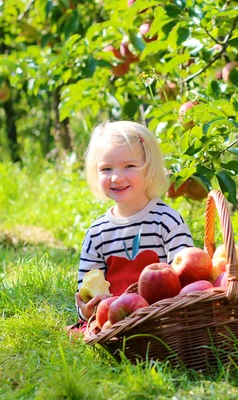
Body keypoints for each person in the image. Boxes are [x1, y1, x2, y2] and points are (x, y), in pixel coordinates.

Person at [75, 120, 194, 323]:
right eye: (106, 169)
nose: (117, 178)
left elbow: (188, 279)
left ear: (148, 168)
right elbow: (83, 293)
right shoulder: (97, 233)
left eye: (129, 166)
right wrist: (87, 311)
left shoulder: (167, 222)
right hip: (114, 324)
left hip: (161, 320)